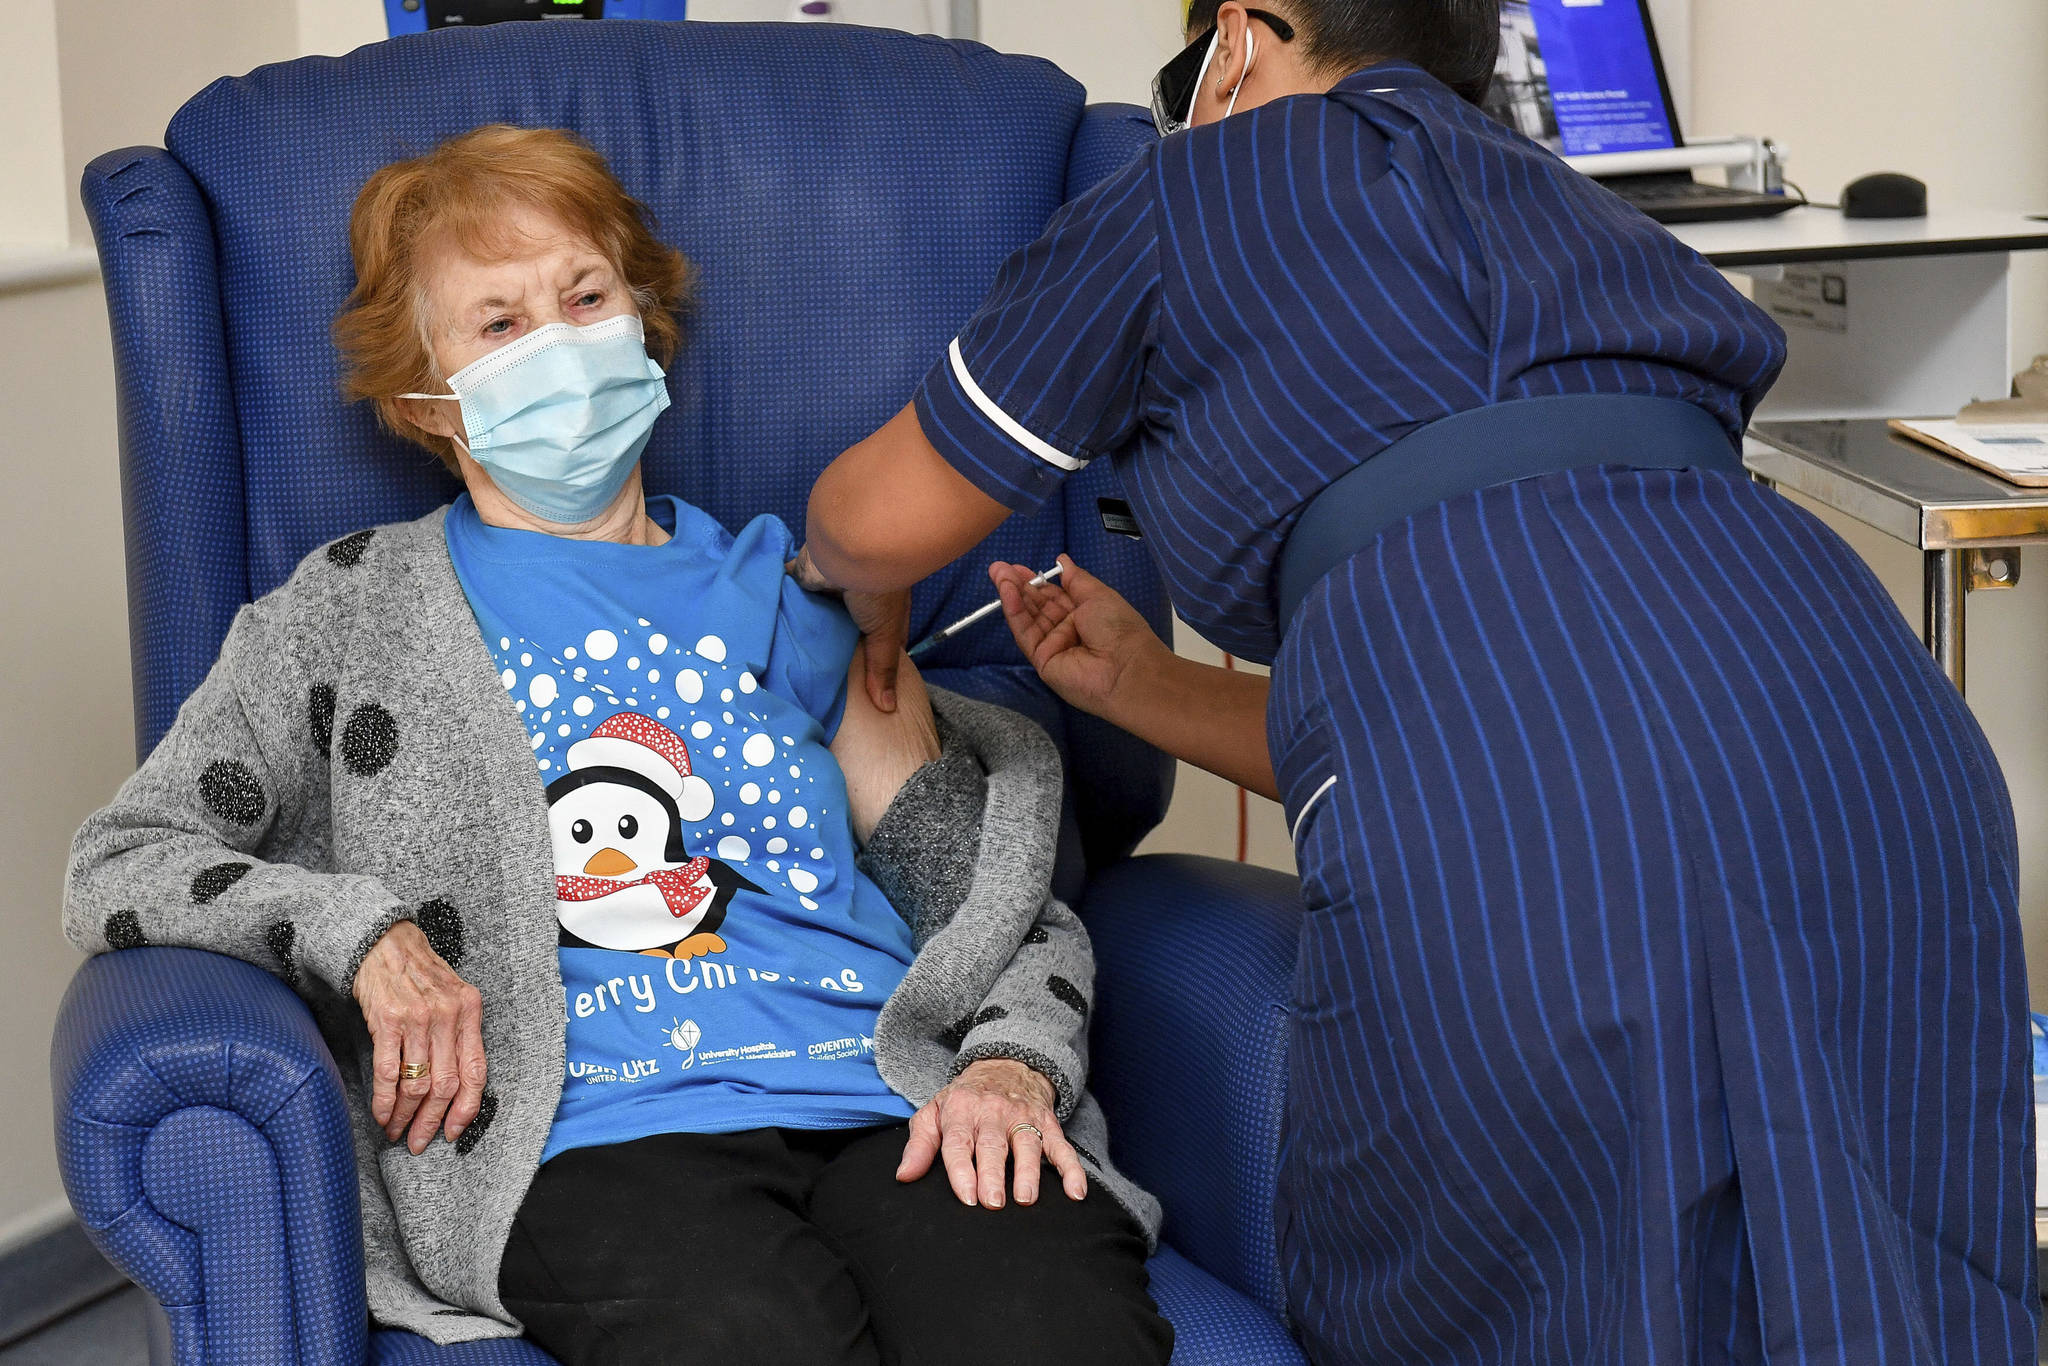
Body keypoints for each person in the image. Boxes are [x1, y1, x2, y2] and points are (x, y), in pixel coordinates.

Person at [794, 3, 2038, 1363]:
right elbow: (1553, 683)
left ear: (1242, 39)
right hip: (1865, 724)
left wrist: (836, 577)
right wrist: (1145, 688)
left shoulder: (1191, 189)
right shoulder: (1583, 211)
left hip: (1530, 799)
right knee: (1893, 1285)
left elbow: (876, 520)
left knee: (1529, 1297)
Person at [63, 125, 1171, 1366]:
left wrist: (1013, 1063)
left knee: (1054, 1332)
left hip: (883, 1092)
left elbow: (986, 902)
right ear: (425, 400)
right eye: (497, 323)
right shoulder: (347, 615)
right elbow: (124, 859)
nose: (558, 343)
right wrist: (361, 933)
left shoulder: (794, 595)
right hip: (590, 1132)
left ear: (642, 317)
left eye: (583, 297)